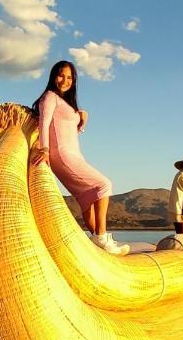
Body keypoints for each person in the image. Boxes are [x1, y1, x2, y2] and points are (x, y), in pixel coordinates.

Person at [30, 60, 130, 255]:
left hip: (74, 154)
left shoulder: (65, 103)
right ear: (53, 76)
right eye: (61, 75)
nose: (65, 80)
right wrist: (44, 150)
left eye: (69, 78)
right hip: (62, 154)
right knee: (104, 185)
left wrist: (83, 116)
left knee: (86, 199)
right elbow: (44, 122)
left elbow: (69, 129)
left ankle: (97, 241)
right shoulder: (50, 97)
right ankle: (101, 236)